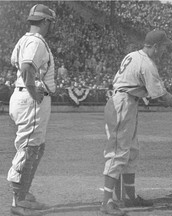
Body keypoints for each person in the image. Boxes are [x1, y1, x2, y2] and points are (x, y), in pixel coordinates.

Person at [101, 29, 172, 216]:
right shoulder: (147, 63)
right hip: (123, 103)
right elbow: (161, 97)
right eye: (164, 47)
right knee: (118, 151)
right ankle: (106, 202)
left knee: (131, 151)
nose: (165, 51)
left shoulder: (133, 55)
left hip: (127, 101)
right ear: (156, 46)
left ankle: (130, 197)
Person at [8, 4, 56, 216]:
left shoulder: (24, 39)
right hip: (31, 98)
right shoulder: (36, 41)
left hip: (24, 96)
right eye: (50, 22)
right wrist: (33, 91)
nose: (51, 26)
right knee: (29, 148)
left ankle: (23, 194)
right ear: (45, 21)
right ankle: (19, 200)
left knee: (36, 147)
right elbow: (27, 67)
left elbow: (16, 63)